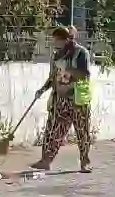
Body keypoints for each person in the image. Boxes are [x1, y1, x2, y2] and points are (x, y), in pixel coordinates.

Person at [33, 24, 95, 173]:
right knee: (53, 130)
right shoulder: (57, 56)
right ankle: (45, 160)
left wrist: (68, 72)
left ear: (66, 39)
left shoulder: (81, 53)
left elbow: (85, 74)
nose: (56, 43)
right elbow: (53, 77)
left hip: (77, 99)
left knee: (82, 132)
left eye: (58, 40)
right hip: (60, 99)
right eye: (55, 41)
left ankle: (85, 162)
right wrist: (42, 89)